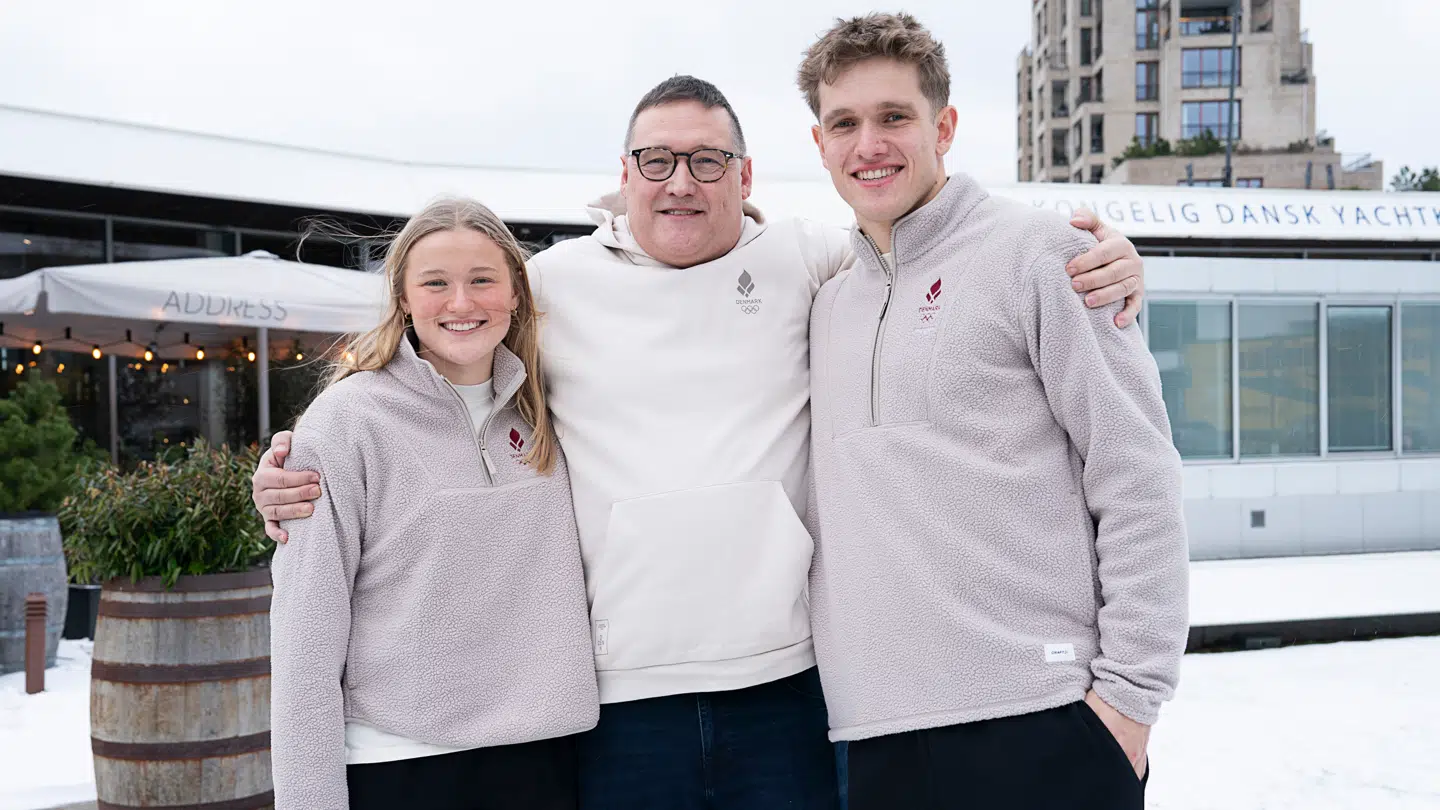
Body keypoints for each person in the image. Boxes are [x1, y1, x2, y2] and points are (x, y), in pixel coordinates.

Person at [253, 78, 1151, 809]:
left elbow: (924, 248)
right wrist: (299, 469)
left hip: (789, 687)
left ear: (747, 174)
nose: (681, 180)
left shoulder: (809, 259)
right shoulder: (550, 285)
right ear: (626, 172)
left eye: (707, 159)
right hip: (614, 703)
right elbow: (453, 361)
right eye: (658, 159)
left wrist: (1105, 250)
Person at [799, 14, 1189, 810]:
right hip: (875, 735)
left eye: (894, 117)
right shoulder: (827, 297)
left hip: (1042, 719)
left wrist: (1128, 705)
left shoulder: (1041, 254)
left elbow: (1137, 474)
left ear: (943, 126)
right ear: (820, 144)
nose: (868, 143)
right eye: (845, 123)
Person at [268, 197, 598, 810]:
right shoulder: (345, 422)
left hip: (544, 756)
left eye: (482, 280)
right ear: (403, 299)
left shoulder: (554, 406)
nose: (462, 303)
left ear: (516, 294)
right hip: (399, 762)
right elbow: (305, 636)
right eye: (436, 283)